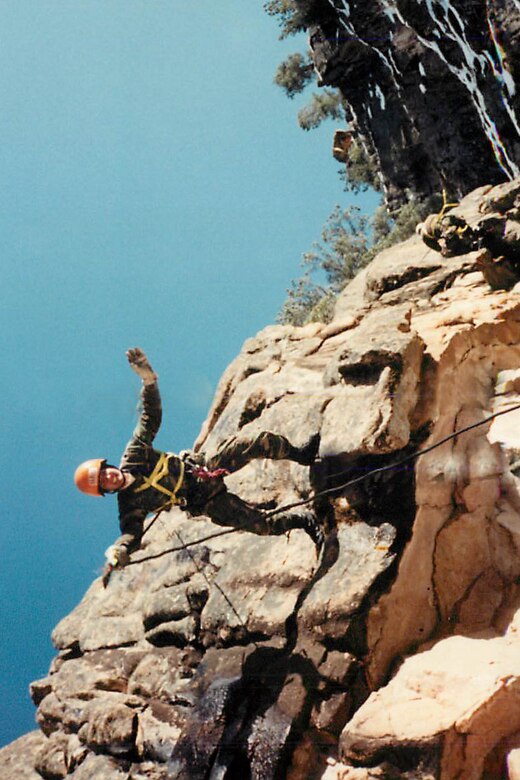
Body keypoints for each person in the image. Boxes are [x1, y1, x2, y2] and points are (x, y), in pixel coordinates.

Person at [74, 348, 322, 586]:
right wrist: (119, 550)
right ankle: (304, 521)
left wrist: (149, 381)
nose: (108, 477)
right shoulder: (130, 504)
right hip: (203, 501)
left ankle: (303, 455)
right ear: (107, 491)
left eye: (104, 472)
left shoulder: (135, 455)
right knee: (261, 525)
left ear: (107, 465)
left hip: (202, 470)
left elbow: (150, 417)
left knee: (255, 443)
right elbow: (131, 534)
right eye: (103, 483)